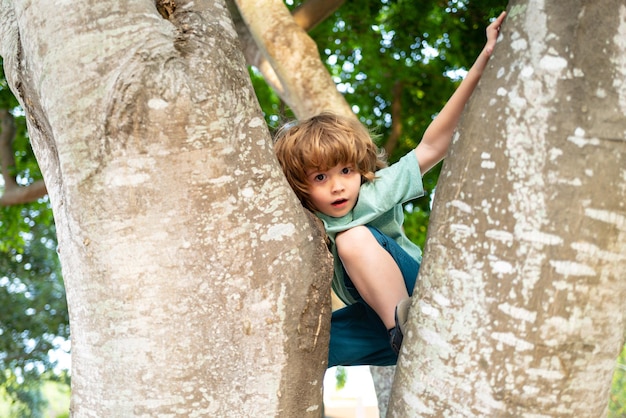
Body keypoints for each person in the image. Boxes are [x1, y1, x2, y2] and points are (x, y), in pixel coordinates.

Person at [273, 12, 507, 367]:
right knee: (302, 345)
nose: (337, 186)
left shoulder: (373, 193)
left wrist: (483, 61)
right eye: (320, 178)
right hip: (374, 323)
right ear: (300, 185)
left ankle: (407, 326)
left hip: (416, 296)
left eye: (346, 171)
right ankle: (401, 338)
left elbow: (431, 147)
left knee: (353, 239)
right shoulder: (303, 220)